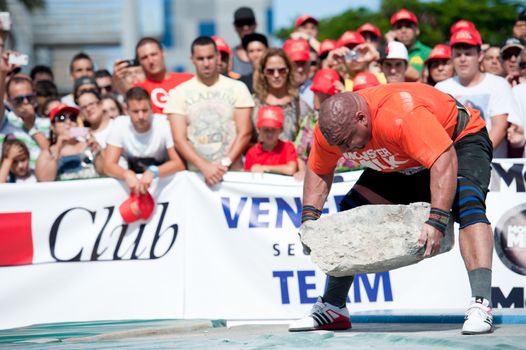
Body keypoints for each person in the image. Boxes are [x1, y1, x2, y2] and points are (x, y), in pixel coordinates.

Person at [289, 83, 494, 335]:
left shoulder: (400, 115)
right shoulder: (333, 128)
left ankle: (481, 304)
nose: (343, 152)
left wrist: (437, 220)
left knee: (468, 205)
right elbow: (319, 169)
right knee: (351, 214)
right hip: (402, 155)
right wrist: (309, 220)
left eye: (346, 142)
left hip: (457, 141)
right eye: (338, 145)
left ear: (362, 118)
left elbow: (444, 158)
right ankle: (334, 307)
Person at [164, 36, 254, 187]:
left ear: (218, 57)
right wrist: (204, 167)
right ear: (192, 59)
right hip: (196, 178)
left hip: (233, 175)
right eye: (200, 58)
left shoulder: (238, 88)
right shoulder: (179, 93)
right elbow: (179, 139)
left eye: (210, 57)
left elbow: (244, 132)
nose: (206, 63)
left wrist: (224, 164)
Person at [435, 28, 520, 158]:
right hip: (452, 168)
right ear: (451, 57)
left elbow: (500, 127)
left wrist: (476, 159)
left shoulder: (499, 84)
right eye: (458, 54)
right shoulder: (441, 88)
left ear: (480, 55)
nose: (462, 59)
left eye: (468, 53)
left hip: (491, 170)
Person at [104, 87, 185, 195]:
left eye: (145, 110)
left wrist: (154, 171)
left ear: (151, 108)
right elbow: (108, 165)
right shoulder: (119, 125)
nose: (141, 116)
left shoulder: (163, 124)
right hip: (131, 181)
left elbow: (179, 164)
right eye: (135, 111)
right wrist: (126, 174)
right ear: (126, 110)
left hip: (160, 181)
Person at [113, 37, 193, 114]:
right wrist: (117, 78)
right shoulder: (138, 89)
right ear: (139, 62)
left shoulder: (189, 80)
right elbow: (124, 89)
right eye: (144, 57)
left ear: (163, 53)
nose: (150, 61)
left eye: (153, 54)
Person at [252, 48, 315, 143]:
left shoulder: (300, 106)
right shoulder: (253, 104)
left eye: (281, 70)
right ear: (263, 73)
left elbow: (307, 142)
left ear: (288, 71)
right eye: (270, 71)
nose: (276, 75)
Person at [35, 103, 102, 181]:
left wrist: (97, 151)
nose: (68, 122)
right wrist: (58, 146)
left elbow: (104, 172)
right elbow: (45, 180)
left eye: (72, 118)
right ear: (52, 127)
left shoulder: (89, 145)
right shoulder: (47, 153)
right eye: (61, 118)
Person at [2, 74, 49, 168]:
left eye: (29, 97)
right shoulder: (4, 121)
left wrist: (31, 126)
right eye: (18, 100)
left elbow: (50, 155)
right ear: (9, 101)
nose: (25, 102)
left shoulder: (48, 123)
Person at [244, 105, 298, 175]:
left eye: (273, 130)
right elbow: (246, 176)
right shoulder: (252, 152)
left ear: (281, 130)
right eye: (266, 130)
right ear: (258, 130)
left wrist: (264, 168)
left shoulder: (288, 147)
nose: (270, 134)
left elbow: (291, 169)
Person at [387, 8, 431, 81]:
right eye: (399, 27)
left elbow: (416, 76)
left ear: (417, 30)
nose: (403, 30)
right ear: (392, 32)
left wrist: (392, 44)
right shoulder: (385, 52)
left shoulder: (428, 52)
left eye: (408, 26)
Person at [283, 39, 314, 108]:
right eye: (295, 64)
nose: (300, 69)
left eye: (303, 63)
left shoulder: (318, 92)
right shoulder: (275, 91)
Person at [232, 7, 257, 76]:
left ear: (255, 24)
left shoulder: (268, 54)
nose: (245, 27)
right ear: (235, 27)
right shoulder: (229, 56)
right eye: (241, 23)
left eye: (249, 22)